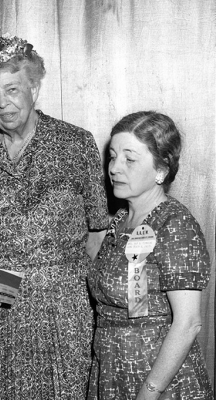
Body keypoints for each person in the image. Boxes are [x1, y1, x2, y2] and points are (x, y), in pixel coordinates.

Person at [0, 34, 109, 399]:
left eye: (12, 89)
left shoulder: (76, 145)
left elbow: (98, 236)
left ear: (34, 87)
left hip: (67, 315)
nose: (2, 104)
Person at [87, 111, 214, 399]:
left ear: (161, 170)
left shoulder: (175, 223)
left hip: (158, 381)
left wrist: (150, 391)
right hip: (111, 372)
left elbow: (189, 322)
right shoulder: (120, 221)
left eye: (129, 159)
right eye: (113, 156)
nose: (115, 168)